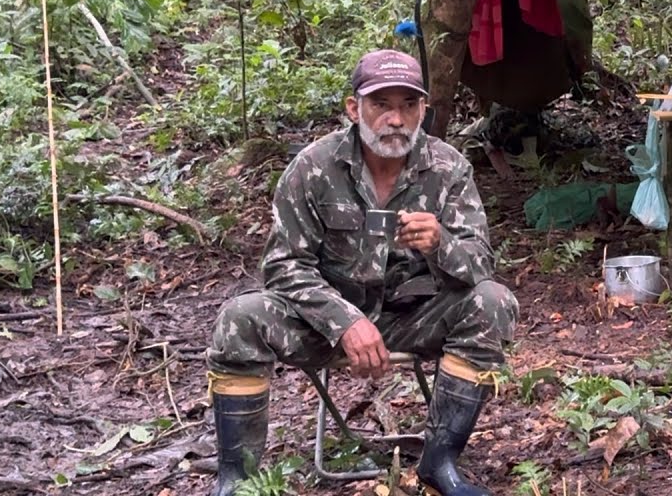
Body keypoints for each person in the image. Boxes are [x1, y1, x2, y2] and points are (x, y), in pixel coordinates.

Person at [205, 49, 518, 496]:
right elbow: (283, 265)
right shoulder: (315, 167)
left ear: (423, 110)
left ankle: (439, 463)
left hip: (414, 318)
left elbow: (480, 264)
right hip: (323, 324)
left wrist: (441, 244)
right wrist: (344, 321)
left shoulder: (448, 168)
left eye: (409, 105)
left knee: (493, 301)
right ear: (355, 109)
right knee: (240, 317)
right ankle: (237, 480)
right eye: (382, 105)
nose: (396, 119)